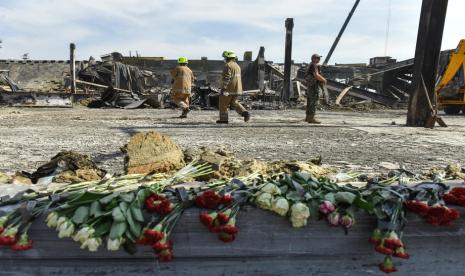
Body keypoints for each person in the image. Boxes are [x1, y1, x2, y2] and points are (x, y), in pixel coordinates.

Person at [217, 51, 250, 124]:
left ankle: (223, 119)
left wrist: (223, 88)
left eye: (224, 57)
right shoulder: (237, 66)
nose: (224, 59)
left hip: (228, 90)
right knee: (234, 103)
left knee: (223, 104)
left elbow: (226, 78)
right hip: (237, 89)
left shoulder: (227, 65)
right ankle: (245, 113)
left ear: (227, 57)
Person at [304, 54, 327, 124]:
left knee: (309, 101)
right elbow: (316, 75)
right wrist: (324, 80)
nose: (319, 60)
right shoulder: (314, 65)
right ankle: (312, 118)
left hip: (310, 85)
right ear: (314, 59)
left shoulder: (310, 65)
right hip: (314, 85)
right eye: (318, 58)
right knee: (313, 102)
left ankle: (308, 117)